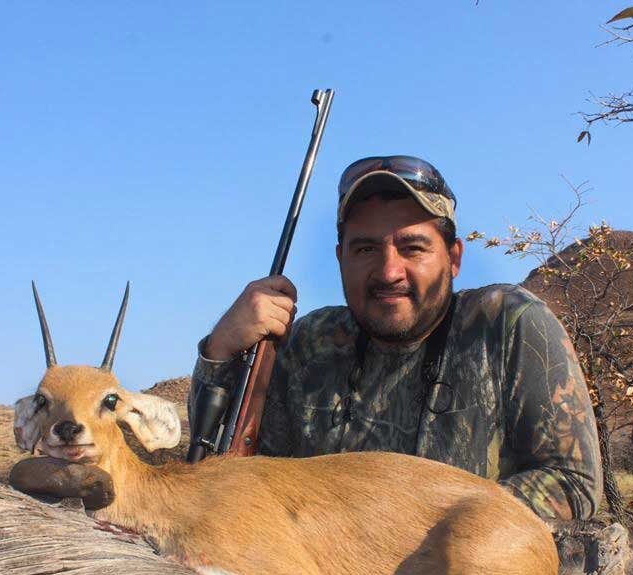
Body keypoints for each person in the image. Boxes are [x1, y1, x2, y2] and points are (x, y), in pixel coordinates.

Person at [190, 155, 602, 521]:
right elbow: (229, 474)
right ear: (340, 258)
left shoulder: (506, 323)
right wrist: (220, 349)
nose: (388, 271)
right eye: (366, 249)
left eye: (412, 247)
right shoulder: (309, 343)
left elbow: (572, 482)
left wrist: (416, 532)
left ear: (454, 258)